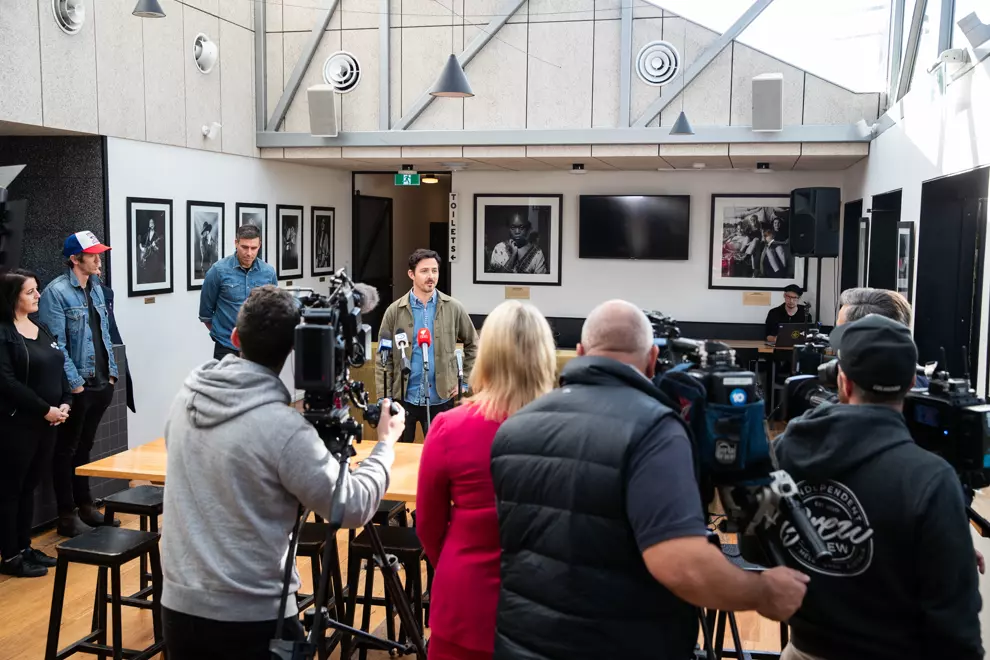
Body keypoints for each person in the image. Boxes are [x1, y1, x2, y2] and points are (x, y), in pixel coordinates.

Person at [488, 300, 809, 660]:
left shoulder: (515, 427)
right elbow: (680, 563)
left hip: (520, 643)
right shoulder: (656, 430)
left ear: (579, 352)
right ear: (652, 358)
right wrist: (762, 592)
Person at [161, 285, 406, 660]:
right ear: (294, 349)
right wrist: (385, 445)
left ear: (234, 336)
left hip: (178, 609)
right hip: (254, 618)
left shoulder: (187, 396)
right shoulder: (283, 429)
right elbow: (352, 506)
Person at [764, 314, 983, 660]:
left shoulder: (784, 450)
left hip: (804, 648)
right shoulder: (930, 477)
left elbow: (757, 547)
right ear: (911, 382)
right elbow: (955, 623)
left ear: (844, 382)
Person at [416, 300, 558, 660]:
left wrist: (452, 565)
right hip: (547, 602)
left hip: (466, 599)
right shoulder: (570, 428)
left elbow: (429, 526)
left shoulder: (449, 427)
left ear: (486, 355)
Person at [39, 231, 119, 537]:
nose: (99, 259)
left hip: (101, 382)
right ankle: (66, 514)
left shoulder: (97, 287)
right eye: (93, 255)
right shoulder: (56, 293)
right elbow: (56, 344)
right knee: (66, 450)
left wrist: (111, 376)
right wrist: (75, 386)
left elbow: (105, 335)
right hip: (79, 386)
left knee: (85, 448)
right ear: (75, 259)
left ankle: (86, 505)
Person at [0, 270, 71, 577]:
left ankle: (25, 546)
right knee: (11, 490)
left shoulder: (38, 327)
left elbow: (59, 364)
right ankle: (10, 555)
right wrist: (45, 409)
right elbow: (7, 381)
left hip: (48, 423)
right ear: (12, 297)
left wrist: (66, 399)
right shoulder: (4, 333)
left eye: (37, 290)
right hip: (18, 425)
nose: (38, 295)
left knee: (29, 487)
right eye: (30, 292)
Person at [375, 249, 478, 443]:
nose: (431, 276)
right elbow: (383, 357)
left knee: (443, 455)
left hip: (442, 398)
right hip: (404, 398)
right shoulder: (394, 311)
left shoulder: (453, 307)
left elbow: (474, 344)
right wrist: (383, 397)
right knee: (401, 457)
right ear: (411, 274)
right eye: (424, 271)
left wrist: (464, 382)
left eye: (434, 271)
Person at [198, 224, 277, 361]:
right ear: (236, 243)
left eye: (254, 248)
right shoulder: (218, 271)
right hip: (225, 347)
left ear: (260, 245)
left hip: (258, 347)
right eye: (244, 247)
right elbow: (205, 314)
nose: (249, 253)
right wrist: (222, 334)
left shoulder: (269, 273)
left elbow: (273, 309)